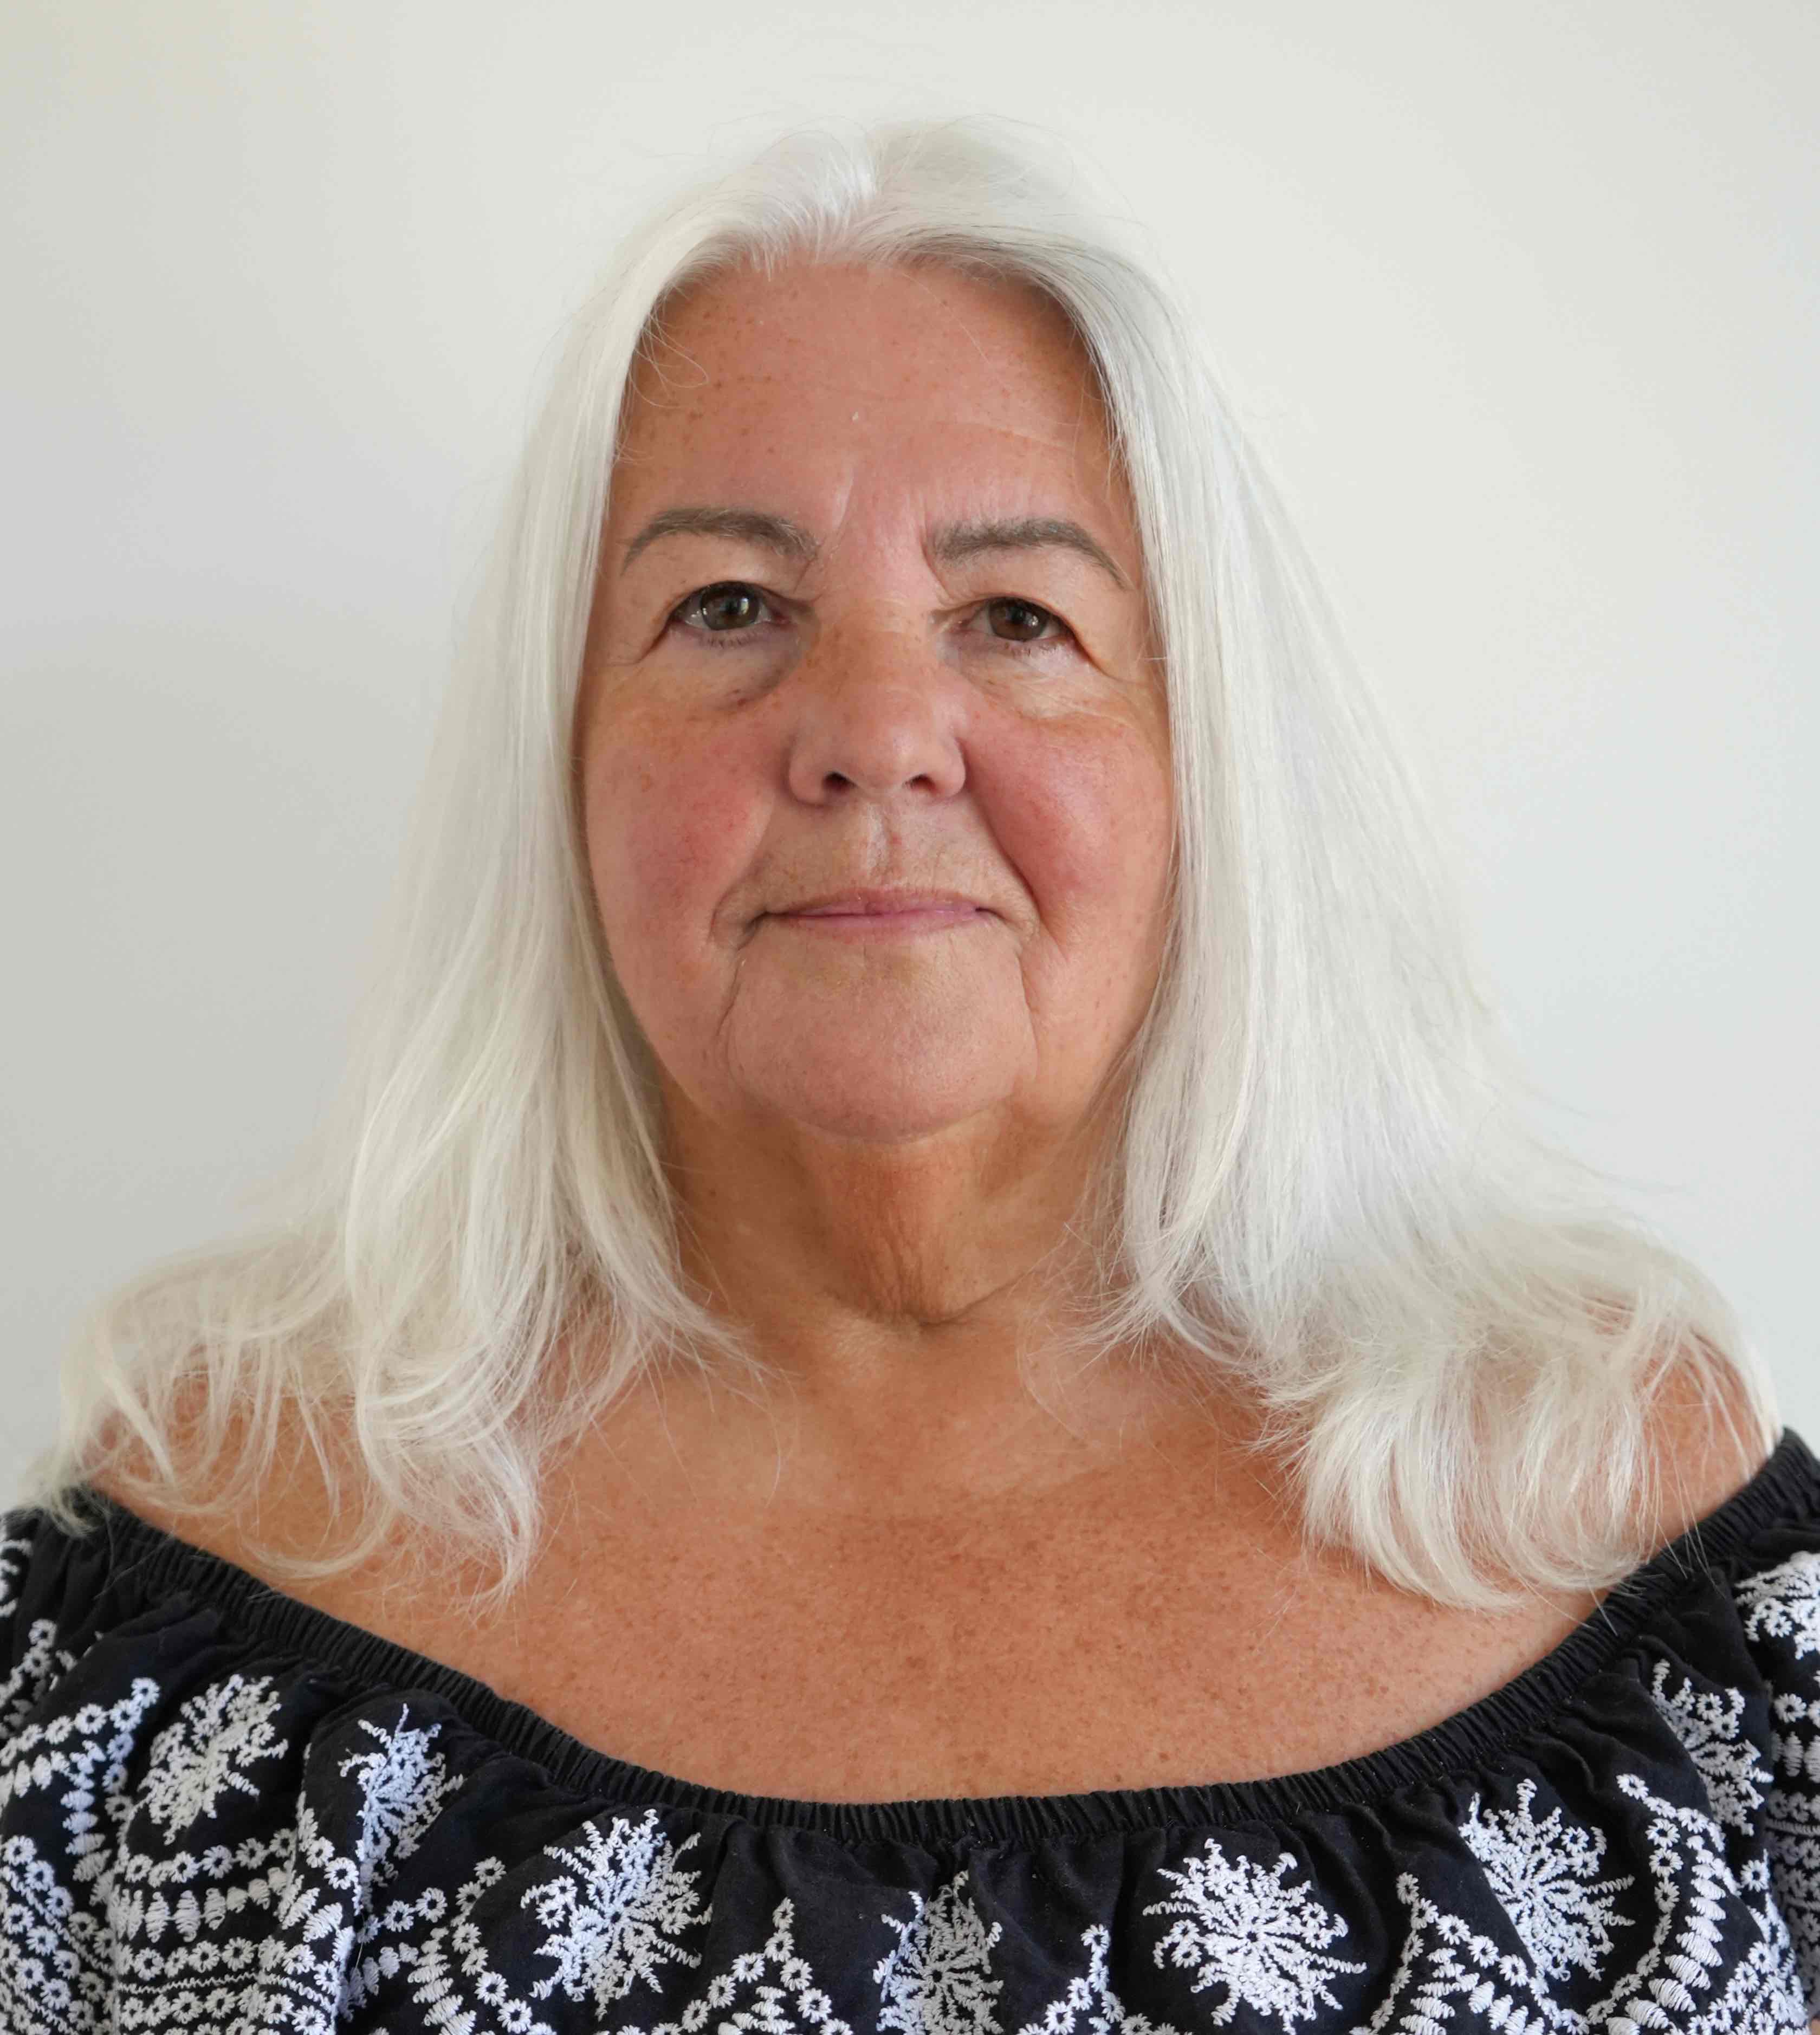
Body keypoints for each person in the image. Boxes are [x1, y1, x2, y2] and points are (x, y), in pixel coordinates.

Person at [3, 116, 1815, 2035]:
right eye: (728, 607)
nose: (875, 734)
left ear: (1207, 763)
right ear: (565, 757)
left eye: (1020, 619)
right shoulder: (163, 1635)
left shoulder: (1647, 1553)